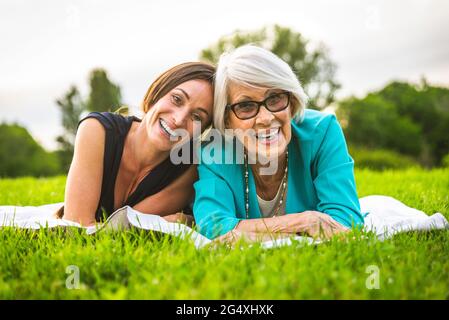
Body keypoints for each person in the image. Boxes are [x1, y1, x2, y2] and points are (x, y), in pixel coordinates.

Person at [193, 45, 364, 242]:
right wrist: (304, 222)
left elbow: (345, 222)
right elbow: (214, 226)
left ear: (291, 101)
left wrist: (245, 232)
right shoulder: (214, 153)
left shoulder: (323, 132)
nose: (266, 118)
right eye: (246, 106)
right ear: (227, 119)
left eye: (274, 98)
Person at [57, 62, 215, 226]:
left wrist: (185, 220)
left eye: (197, 117)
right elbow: (77, 226)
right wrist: (175, 221)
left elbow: (127, 226)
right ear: (158, 92)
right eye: (177, 99)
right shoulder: (96, 130)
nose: (179, 119)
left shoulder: (189, 168)